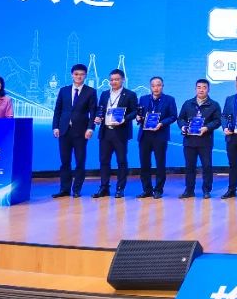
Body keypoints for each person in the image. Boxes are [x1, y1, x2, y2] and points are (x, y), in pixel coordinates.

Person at [51, 63, 95, 198]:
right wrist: (55, 126)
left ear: (85, 76)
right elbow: (57, 110)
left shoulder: (90, 91)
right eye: (76, 74)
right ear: (72, 75)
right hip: (64, 131)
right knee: (65, 162)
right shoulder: (63, 90)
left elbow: (93, 112)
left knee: (80, 162)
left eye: (81, 74)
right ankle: (64, 189)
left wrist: (90, 128)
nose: (79, 77)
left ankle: (76, 190)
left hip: (81, 132)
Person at [92, 68, 138, 198]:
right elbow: (100, 109)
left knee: (121, 161)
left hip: (120, 132)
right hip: (105, 132)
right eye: (111, 80)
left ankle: (120, 188)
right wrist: (98, 117)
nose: (114, 82)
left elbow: (135, 111)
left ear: (122, 80)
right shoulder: (104, 94)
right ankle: (104, 187)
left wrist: (124, 119)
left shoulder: (130, 94)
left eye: (117, 79)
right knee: (104, 161)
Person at [136, 76, 178, 199]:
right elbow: (139, 114)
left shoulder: (169, 99)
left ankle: (158, 190)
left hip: (160, 135)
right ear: (150, 87)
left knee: (160, 164)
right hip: (145, 135)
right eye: (153, 85)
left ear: (162, 86)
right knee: (144, 164)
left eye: (158, 85)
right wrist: (138, 118)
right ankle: (147, 190)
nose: (156, 88)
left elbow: (173, 116)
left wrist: (162, 123)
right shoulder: (143, 99)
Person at [178, 79, 220, 199]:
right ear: (195, 89)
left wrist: (207, 127)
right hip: (189, 140)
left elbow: (217, 121)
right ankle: (189, 190)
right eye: (199, 87)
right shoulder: (188, 103)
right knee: (189, 166)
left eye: (204, 87)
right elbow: (180, 119)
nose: (201, 90)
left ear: (208, 89)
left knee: (207, 166)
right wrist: (183, 126)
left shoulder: (214, 105)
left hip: (205, 140)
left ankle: (206, 190)